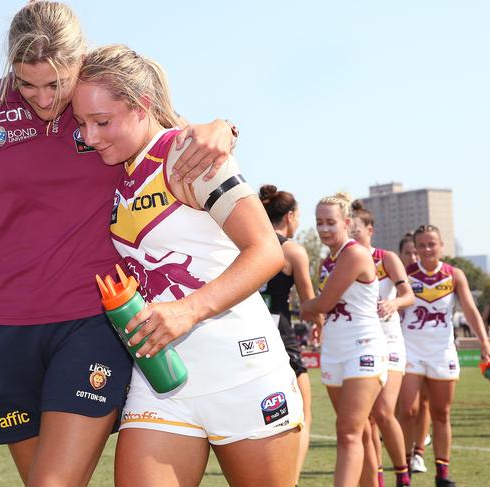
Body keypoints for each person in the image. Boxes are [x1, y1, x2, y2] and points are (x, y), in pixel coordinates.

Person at [0, 3, 236, 486]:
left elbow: (171, 134)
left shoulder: (103, 100)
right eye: (27, 83)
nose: (43, 98)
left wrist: (222, 126)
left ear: (80, 60)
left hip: (94, 320)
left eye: (56, 84)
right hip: (3, 330)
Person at [73, 44, 303, 487]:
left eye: (102, 122)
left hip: (243, 372)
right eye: (82, 123)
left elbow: (266, 251)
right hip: (163, 382)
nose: (90, 136)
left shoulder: (188, 153)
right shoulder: (117, 169)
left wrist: (187, 310)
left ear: (141, 105)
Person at [300, 192, 387, 487]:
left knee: (347, 432)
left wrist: (307, 308)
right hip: (334, 351)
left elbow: (321, 303)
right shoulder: (327, 261)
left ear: (347, 222)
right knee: (360, 432)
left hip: (362, 349)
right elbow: (326, 308)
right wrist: (318, 320)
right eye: (319, 222)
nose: (324, 228)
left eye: (331, 222)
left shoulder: (354, 254)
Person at [398, 224, 490, 487]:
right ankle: (403, 472)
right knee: (408, 410)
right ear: (415, 248)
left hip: (442, 351)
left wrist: (484, 340)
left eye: (432, 244)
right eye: (422, 245)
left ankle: (442, 473)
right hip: (410, 348)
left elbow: (470, 310)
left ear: (441, 246)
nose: (427, 249)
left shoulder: (454, 274)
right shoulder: (405, 273)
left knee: (441, 413)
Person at [259, 185, 322, 485]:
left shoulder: (245, 241)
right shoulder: (291, 250)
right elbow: (309, 306)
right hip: (280, 336)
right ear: (290, 216)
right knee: (302, 416)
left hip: (246, 335)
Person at [350, 201, 414, 487]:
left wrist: (394, 303)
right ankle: (376, 478)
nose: (351, 236)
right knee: (367, 420)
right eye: (347, 230)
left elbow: (408, 294)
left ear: (370, 230)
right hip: (359, 343)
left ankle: (403, 474)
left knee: (384, 412)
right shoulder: (342, 260)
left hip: (388, 341)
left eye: (356, 230)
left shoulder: (385, 257)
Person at [398, 233, 431, 474]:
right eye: (408, 252)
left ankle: (418, 452)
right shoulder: (397, 277)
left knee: (425, 403)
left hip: (430, 348)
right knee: (406, 407)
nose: (413, 256)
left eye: (415, 252)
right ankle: (405, 448)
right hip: (401, 346)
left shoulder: (435, 277)